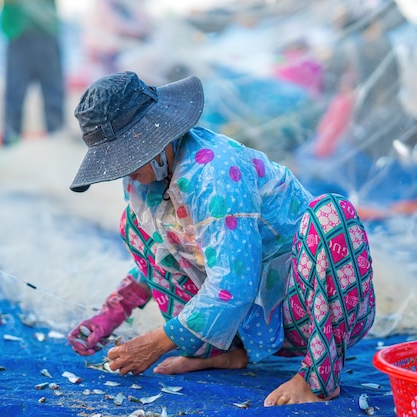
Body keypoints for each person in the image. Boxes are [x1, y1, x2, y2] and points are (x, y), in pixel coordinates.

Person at [66, 71, 376, 406]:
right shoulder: (145, 181)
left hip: (302, 308)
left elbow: (234, 285)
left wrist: (156, 342)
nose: (124, 171)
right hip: (245, 318)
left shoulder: (214, 173)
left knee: (330, 214)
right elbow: (164, 256)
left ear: (156, 141)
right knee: (133, 225)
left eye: (126, 158)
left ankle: (316, 379)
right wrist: (112, 312)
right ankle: (225, 350)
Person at [0, 0, 65, 146]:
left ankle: (57, 141)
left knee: (53, 96)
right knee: (14, 97)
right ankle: (11, 142)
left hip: (45, 29)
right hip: (19, 32)